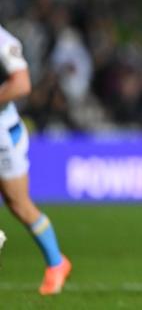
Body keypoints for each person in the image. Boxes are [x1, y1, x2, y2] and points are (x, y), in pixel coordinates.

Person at [0, 24, 72, 294]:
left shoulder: (3, 41)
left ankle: (56, 263)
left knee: (19, 206)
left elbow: (22, 84)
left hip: (3, 138)